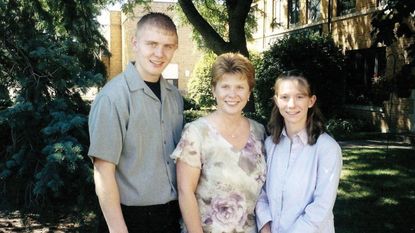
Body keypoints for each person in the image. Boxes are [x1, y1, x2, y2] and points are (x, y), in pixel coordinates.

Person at [88, 12, 183, 233]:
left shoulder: (174, 96)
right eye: (152, 44)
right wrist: (118, 229)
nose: (160, 53)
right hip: (130, 219)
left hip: (171, 216)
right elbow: (103, 170)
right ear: (135, 43)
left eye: (168, 46)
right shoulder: (112, 98)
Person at [171, 52, 267, 233]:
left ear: (249, 92)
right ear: (214, 90)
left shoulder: (260, 132)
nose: (232, 94)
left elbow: (264, 193)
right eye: (225, 86)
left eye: (240, 87)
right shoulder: (196, 133)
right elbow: (185, 192)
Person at [255, 70, 342, 233]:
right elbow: (261, 190)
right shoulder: (269, 144)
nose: (291, 104)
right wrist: (265, 226)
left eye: (300, 97)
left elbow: (321, 206)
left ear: (311, 101)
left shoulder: (327, 149)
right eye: (285, 97)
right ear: (276, 100)